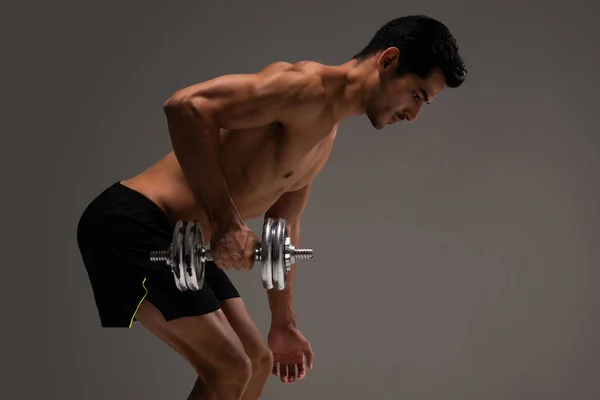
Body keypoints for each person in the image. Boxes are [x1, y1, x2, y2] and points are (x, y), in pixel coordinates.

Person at [76, 14, 467, 400]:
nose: (414, 115)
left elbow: (283, 227)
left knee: (255, 360)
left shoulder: (323, 136)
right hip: (130, 222)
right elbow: (186, 107)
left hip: (181, 240)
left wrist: (283, 324)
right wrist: (227, 223)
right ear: (388, 60)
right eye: (416, 95)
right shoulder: (302, 88)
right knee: (229, 367)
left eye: (424, 104)